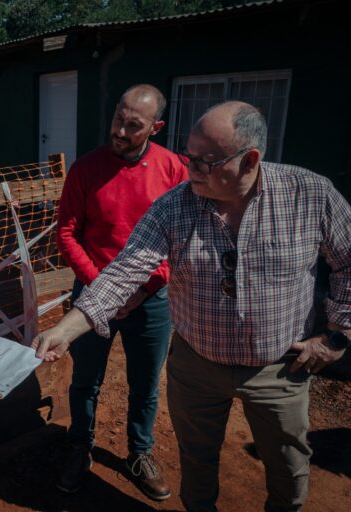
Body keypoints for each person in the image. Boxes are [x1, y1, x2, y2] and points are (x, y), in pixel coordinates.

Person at [34, 101, 351, 512]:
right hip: (196, 367)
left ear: (249, 160)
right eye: (189, 157)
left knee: (288, 470)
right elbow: (123, 272)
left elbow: (348, 261)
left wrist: (337, 335)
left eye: (204, 161)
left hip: (279, 369)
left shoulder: (310, 195)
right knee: (197, 465)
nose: (190, 169)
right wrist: (67, 328)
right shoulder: (174, 206)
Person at [55, 84, 187, 498]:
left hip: (151, 297)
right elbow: (66, 232)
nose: (121, 131)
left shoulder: (173, 169)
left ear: (155, 127)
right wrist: (102, 289)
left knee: (146, 383)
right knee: (85, 380)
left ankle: (140, 451)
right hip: (93, 289)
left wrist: (142, 289)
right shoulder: (84, 168)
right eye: (118, 119)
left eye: (134, 125)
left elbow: (180, 238)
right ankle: (79, 445)